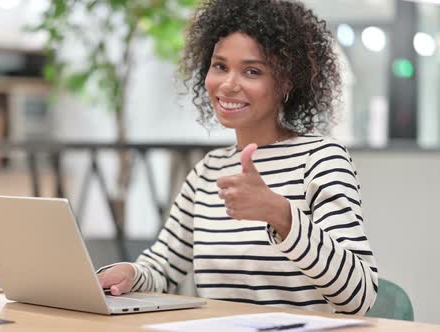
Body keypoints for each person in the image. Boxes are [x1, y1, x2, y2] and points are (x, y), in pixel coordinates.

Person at [98, 0, 378, 315]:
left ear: (286, 81)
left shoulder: (322, 159)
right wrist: (130, 274)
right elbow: (163, 266)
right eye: (220, 66)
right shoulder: (208, 171)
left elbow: (359, 295)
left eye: (252, 71)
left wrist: (282, 215)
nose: (229, 84)